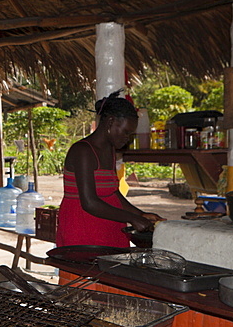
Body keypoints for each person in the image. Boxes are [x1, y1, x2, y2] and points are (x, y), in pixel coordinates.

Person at [57, 91, 164, 247]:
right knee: (87, 269)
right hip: (83, 226)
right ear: (110, 122)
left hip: (109, 224)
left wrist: (140, 214)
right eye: (126, 132)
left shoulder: (110, 151)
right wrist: (132, 218)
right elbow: (89, 202)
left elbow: (112, 192)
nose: (128, 138)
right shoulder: (83, 151)